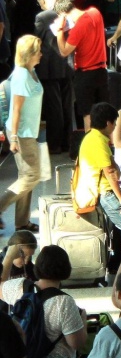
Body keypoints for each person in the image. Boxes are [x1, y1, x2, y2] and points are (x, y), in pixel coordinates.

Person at [73, 101, 121, 252]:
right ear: (108, 123)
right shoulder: (98, 142)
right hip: (105, 194)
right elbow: (110, 175)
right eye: (114, 123)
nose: (114, 127)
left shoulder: (91, 137)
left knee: (119, 229)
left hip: (100, 192)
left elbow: (113, 168)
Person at [0, 35, 43, 232]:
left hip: (28, 131)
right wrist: (14, 138)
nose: (41, 54)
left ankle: (22, 222)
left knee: (27, 176)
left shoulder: (30, 71)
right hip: (22, 133)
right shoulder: (22, 76)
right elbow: (16, 109)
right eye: (38, 51)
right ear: (29, 54)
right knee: (32, 175)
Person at [54, 0, 108, 131]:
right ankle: (108, 145)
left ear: (63, 14)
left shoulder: (78, 28)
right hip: (101, 70)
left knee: (87, 113)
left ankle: (89, 147)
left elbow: (64, 51)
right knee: (103, 112)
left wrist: (60, 30)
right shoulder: (95, 12)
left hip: (85, 75)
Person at [34, 0, 73, 155]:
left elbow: (37, 40)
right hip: (67, 65)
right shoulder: (65, 14)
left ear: (42, 1)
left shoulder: (41, 17)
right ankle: (67, 142)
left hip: (49, 69)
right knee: (66, 105)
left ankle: (55, 143)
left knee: (53, 107)